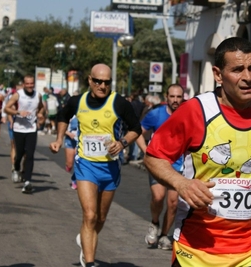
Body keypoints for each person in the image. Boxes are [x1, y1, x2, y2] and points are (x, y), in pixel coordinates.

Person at [143, 37, 251, 267]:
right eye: (238, 70)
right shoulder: (196, 110)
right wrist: (181, 183)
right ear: (218, 75)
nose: (248, 78)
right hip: (198, 248)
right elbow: (153, 156)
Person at [49, 63, 141, 267]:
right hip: (86, 166)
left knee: (99, 218)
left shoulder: (119, 103)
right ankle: (90, 262)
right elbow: (63, 116)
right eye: (98, 81)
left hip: (110, 169)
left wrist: (123, 142)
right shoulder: (77, 101)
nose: (102, 85)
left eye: (106, 82)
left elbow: (136, 128)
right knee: (89, 215)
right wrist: (59, 138)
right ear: (90, 80)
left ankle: (85, 237)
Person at [136, 84, 184, 250]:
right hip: (158, 163)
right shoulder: (156, 114)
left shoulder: (188, 115)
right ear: (167, 97)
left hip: (178, 166)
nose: (175, 100)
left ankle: (164, 235)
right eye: (172, 96)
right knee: (158, 197)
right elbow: (137, 132)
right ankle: (154, 223)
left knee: (173, 203)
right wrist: (146, 151)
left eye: (179, 97)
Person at [4, 75, 45, 193]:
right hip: (18, 128)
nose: (30, 86)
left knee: (30, 154)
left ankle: (27, 181)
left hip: (31, 129)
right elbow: (6, 109)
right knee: (20, 154)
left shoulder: (38, 95)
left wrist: (41, 115)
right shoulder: (18, 94)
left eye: (32, 83)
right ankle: (16, 169)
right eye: (27, 83)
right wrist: (18, 112)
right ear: (24, 84)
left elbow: (42, 108)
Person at [64, 115, 78, 189]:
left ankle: (75, 180)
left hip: (79, 141)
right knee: (69, 164)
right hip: (70, 140)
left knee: (78, 161)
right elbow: (62, 128)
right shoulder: (70, 114)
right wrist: (69, 134)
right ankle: (68, 166)